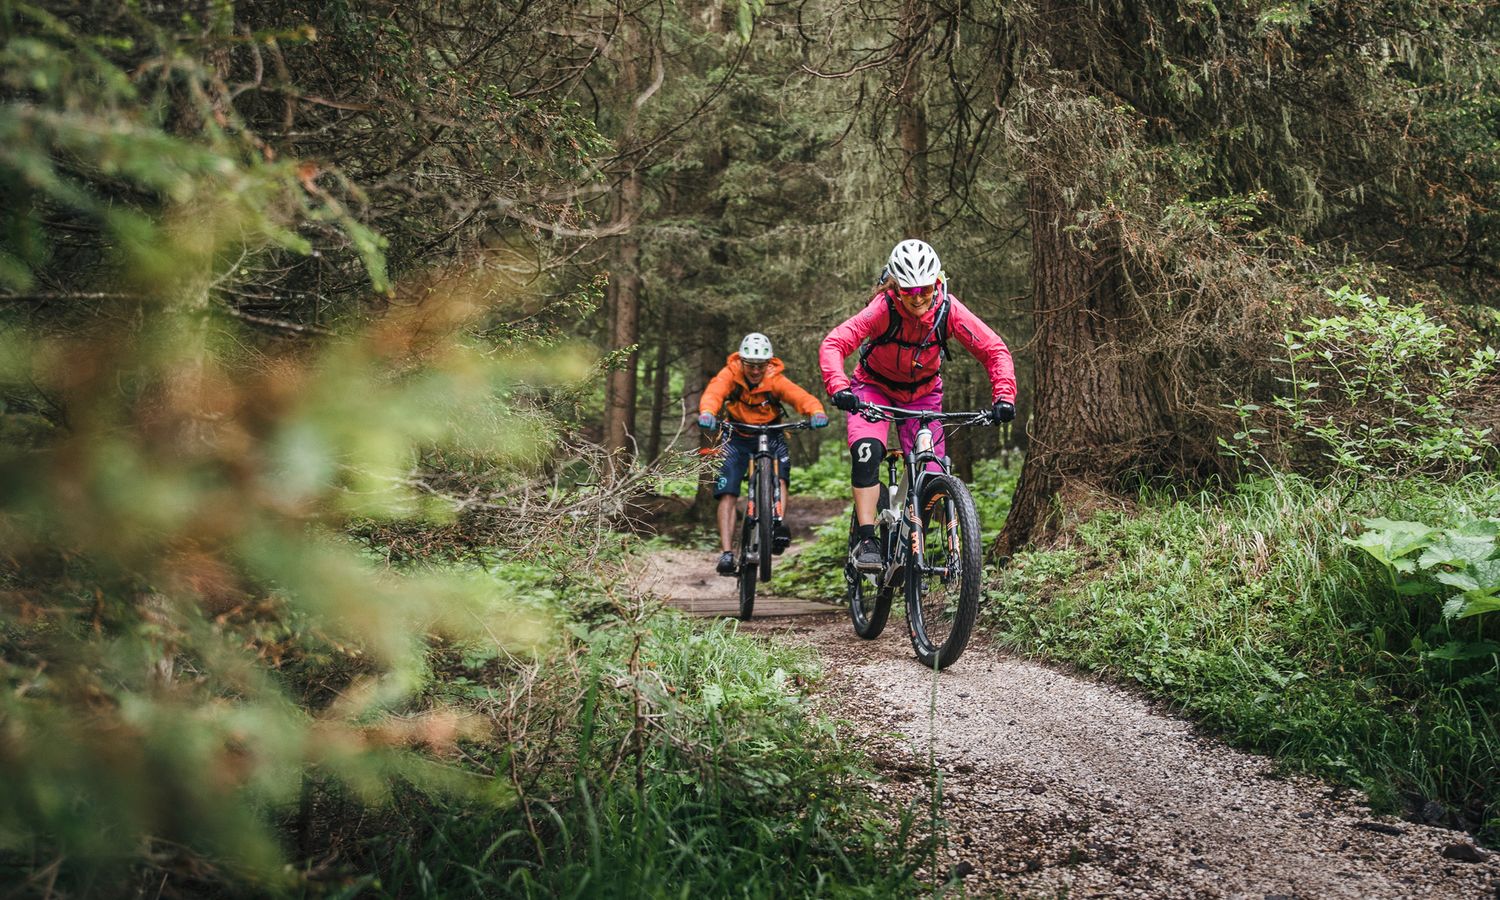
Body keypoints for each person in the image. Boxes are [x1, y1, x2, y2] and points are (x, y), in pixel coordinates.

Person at [819, 238, 1017, 572]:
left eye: (925, 288)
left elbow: (993, 350)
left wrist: (1004, 397)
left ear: (937, 282)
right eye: (909, 290)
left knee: (933, 472)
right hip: (873, 389)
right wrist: (839, 387)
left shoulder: (947, 309)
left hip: (923, 394)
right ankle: (867, 539)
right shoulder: (883, 309)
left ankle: (911, 541)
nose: (918, 297)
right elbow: (835, 343)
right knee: (866, 451)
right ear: (895, 286)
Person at [698, 332, 829, 576]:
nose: (756, 371)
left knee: (780, 476)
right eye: (751, 365)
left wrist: (816, 412)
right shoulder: (730, 374)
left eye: (760, 366)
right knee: (727, 492)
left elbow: (800, 397)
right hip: (736, 435)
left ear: (768, 363)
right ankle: (727, 553)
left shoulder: (775, 379)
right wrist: (707, 412)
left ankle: (776, 522)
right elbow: (714, 393)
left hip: (772, 434)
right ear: (742, 362)